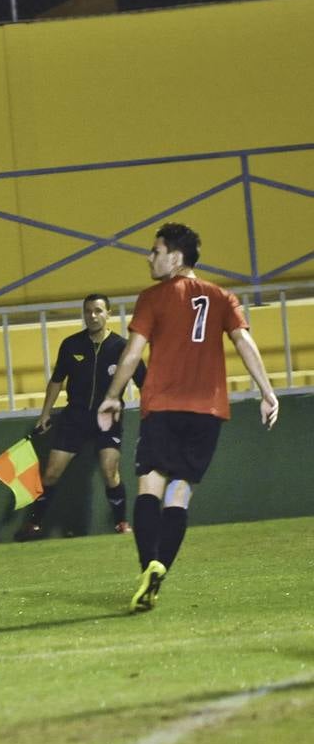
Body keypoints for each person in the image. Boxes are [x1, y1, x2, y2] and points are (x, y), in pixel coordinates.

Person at [97, 222, 279, 613]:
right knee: (179, 494)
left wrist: (112, 397)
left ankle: (149, 566)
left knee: (149, 488)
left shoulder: (152, 298)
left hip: (163, 408)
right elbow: (244, 342)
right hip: (207, 413)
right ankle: (161, 568)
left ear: (175, 258)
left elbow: (131, 354)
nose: (150, 257)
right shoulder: (222, 296)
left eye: (156, 250)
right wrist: (267, 391)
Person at [15, 293, 146, 540]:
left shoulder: (123, 348)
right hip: (75, 417)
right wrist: (45, 413)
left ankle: (121, 522)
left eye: (98, 311)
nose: (93, 316)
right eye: (88, 311)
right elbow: (56, 381)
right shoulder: (71, 344)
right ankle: (34, 524)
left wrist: (152, 413)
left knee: (110, 471)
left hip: (108, 418)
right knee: (52, 472)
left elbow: (144, 383)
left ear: (108, 314)